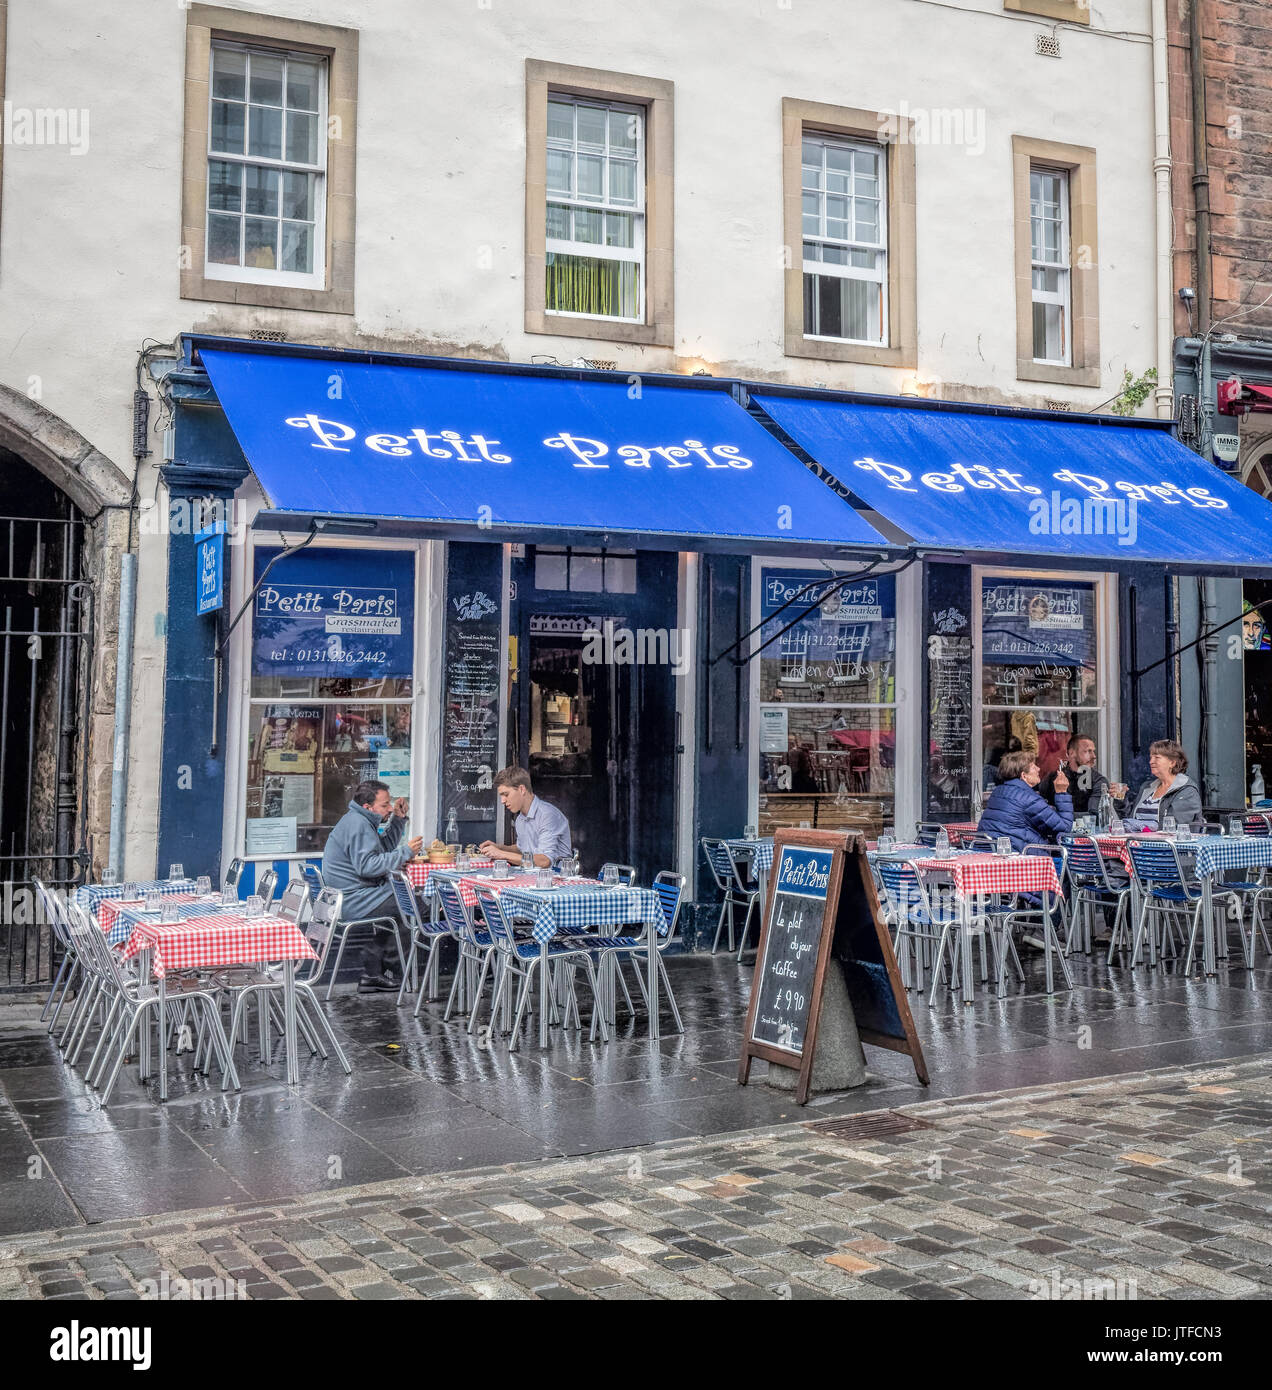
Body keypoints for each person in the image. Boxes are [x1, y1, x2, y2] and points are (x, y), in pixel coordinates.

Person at [322, 780, 423, 992]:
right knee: (413, 905)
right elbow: (367, 867)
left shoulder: (359, 820)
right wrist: (405, 852)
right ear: (368, 807)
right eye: (385, 805)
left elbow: (382, 849)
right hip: (354, 899)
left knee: (408, 902)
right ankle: (379, 970)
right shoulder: (358, 825)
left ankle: (375, 969)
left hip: (352, 896)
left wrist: (398, 819)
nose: (389, 808)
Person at [977, 749, 1073, 851]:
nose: (1038, 769)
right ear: (1024, 776)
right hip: (1020, 856)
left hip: (989, 851)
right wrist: (1062, 792)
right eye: (1033, 767)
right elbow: (1064, 829)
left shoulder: (998, 792)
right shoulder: (1029, 798)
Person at [479, 766, 572, 869]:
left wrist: (501, 854)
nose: (502, 801)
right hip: (532, 877)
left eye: (506, 794)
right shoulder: (520, 818)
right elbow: (522, 849)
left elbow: (545, 861)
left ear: (522, 789)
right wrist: (498, 847)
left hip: (559, 878)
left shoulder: (547, 815)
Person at [1120, 739, 1204, 832]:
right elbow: (1129, 820)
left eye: (1157, 757)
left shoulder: (1187, 791)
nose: (1151, 761)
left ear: (1172, 763)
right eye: (1151, 757)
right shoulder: (1147, 787)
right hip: (1137, 843)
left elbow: (1174, 825)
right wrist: (1120, 798)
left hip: (1168, 845)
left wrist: (1141, 826)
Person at [1039, 734, 1129, 816]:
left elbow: (1093, 816)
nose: (1094, 756)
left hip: (1088, 832)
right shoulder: (1052, 777)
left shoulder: (1098, 781)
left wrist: (1054, 813)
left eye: (1093, 751)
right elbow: (1037, 806)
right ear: (1071, 753)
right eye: (1087, 751)